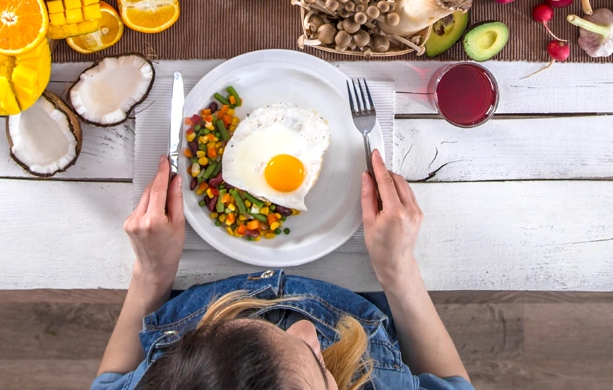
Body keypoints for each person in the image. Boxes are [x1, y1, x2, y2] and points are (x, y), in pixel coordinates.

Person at [93, 150, 474, 390]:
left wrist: (150, 274)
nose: (308, 330)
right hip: (366, 293)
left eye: (231, 324)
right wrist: (400, 271)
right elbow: (451, 383)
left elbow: (109, 380)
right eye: (319, 367)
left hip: (186, 284)